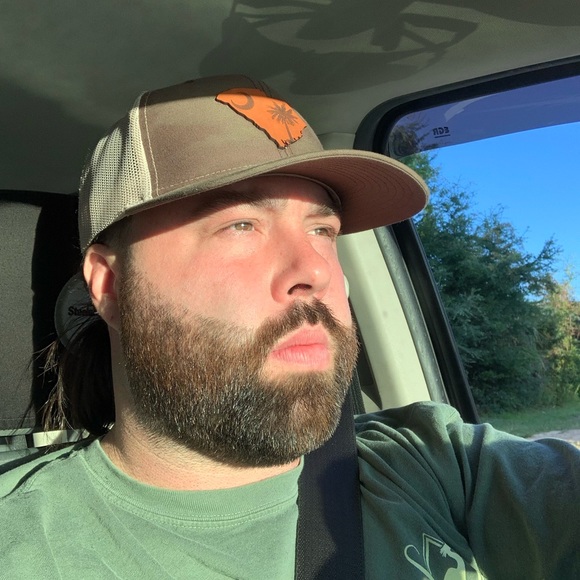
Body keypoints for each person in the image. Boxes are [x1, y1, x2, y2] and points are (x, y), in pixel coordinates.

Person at [0, 75, 578, 579]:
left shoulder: (433, 460)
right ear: (109, 286)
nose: (315, 272)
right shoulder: (22, 543)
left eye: (322, 231)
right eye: (240, 224)